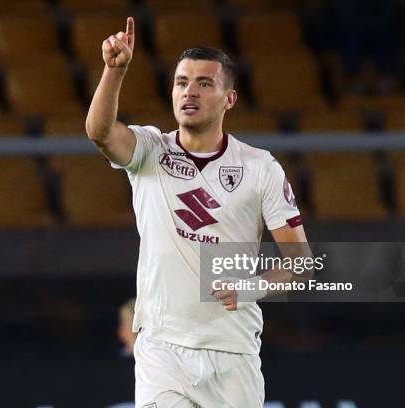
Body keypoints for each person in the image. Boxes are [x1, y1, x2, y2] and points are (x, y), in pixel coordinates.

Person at [86, 17, 311, 408]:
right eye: (181, 82)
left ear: (229, 99)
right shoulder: (149, 151)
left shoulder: (260, 168)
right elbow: (100, 132)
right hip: (162, 348)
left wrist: (250, 288)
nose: (189, 92)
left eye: (204, 84)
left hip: (231, 352)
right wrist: (114, 70)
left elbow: (300, 263)